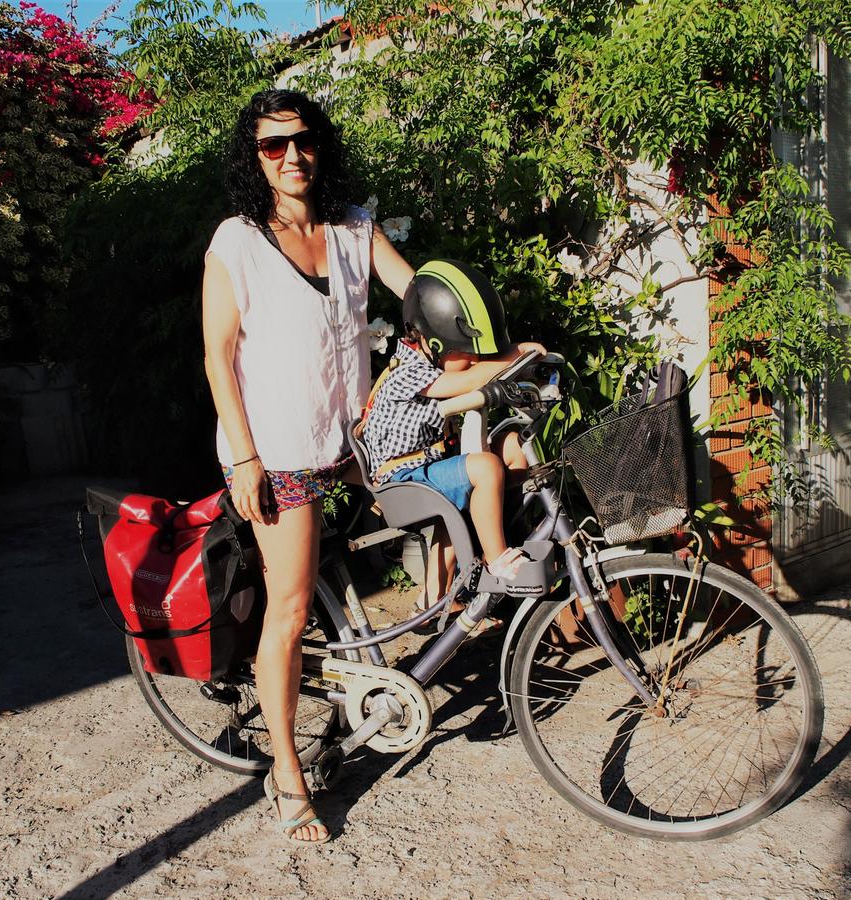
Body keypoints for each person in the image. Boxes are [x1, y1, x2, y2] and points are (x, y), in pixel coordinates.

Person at [202, 88, 413, 844]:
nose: (292, 156)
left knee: (447, 500)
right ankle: (286, 774)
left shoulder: (355, 229)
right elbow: (218, 357)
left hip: (348, 442)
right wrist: (247, 458)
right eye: (272, 144)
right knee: (289, 611)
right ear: (254, 156)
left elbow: (414, 291)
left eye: (304, 140)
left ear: (322, 146)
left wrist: (471, 329)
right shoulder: (237, 241)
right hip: (281, 449)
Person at [361, 260, 546, 608]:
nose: (476, 360)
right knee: (485, 469)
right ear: (433, 341)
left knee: (509, 448)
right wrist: (514, 356)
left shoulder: (428, 360)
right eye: (468, 352)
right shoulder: (409, 372)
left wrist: (517, 357)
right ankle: (498, 558)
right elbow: (463, 382)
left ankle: (433, 598)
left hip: (420, 472)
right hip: (400, 480)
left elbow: (472, 374)